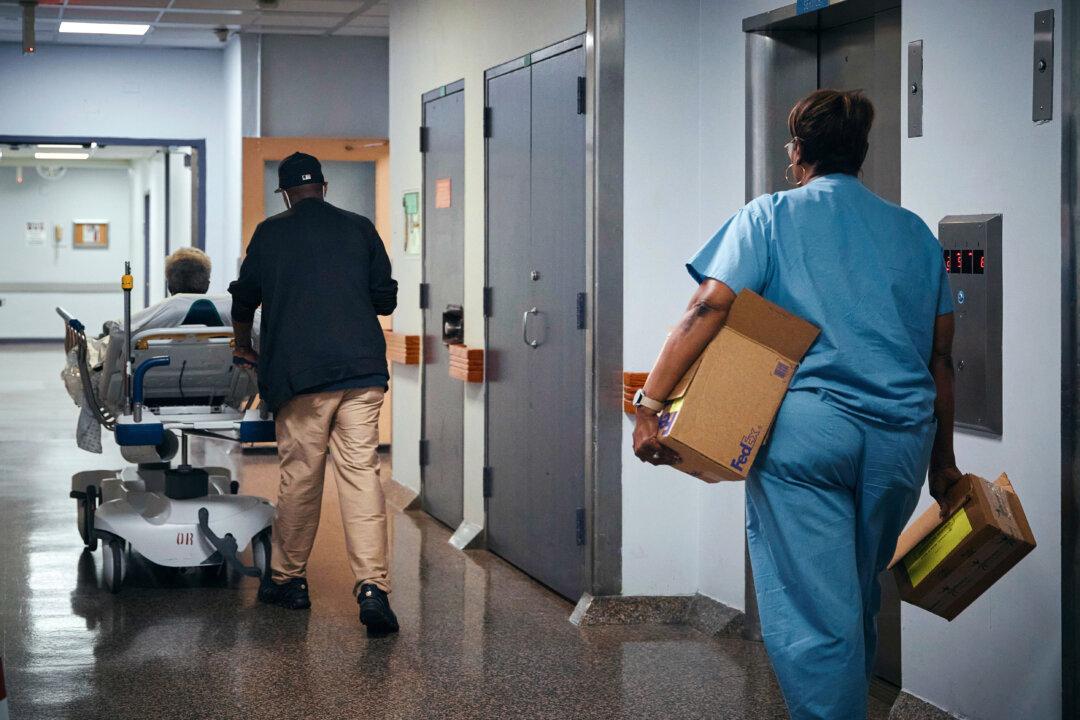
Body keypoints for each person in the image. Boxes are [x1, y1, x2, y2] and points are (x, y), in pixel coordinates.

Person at [631, 89, 962, 719]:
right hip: (901, 441)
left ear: (798, 152)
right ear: (860, 154)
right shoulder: (914, 233)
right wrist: (942, 464)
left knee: (817, 616)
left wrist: (649, 403)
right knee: (857, 596)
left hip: (810, 435)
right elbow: (940, 357)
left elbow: (709, 306)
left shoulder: (770, 217)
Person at [228, 152, 400, 636]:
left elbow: (244, 299)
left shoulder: (270, 232)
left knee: (302, 476)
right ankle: (373, 589)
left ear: (285, 193)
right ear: (323, 186)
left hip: (300, 376)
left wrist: (243, 345)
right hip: (362, 371)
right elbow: (385, 298)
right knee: (362, 476)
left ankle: (289, 581)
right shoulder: (360, 227)